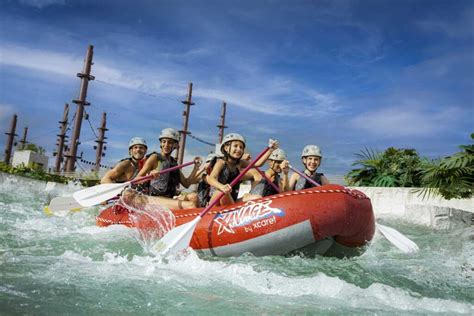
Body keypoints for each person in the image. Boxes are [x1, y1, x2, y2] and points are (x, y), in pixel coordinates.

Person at [135, 128, 202, 209]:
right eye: (164, 141)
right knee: (190, 205)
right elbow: (137, 179)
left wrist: (196, 168)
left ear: (175, 145)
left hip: (169, 198)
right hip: (153, 198)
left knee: (194, 197)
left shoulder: (173, 162)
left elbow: (186, 183)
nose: (166, 145)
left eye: (170, 142)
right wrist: (150, 176)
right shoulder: (155, 157)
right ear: (161, 143)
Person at [207, 133, 279, 206]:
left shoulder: (240, 163)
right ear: (226, 148)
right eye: (235, 146)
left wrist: (270, 150)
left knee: (257, 197)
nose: (239, 149)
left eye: (241, 147)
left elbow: (258, 164)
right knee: (221, 193)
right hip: (217, 200)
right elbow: (211, 179)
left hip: (232, 200)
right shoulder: (221, 162)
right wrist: (222, 187)